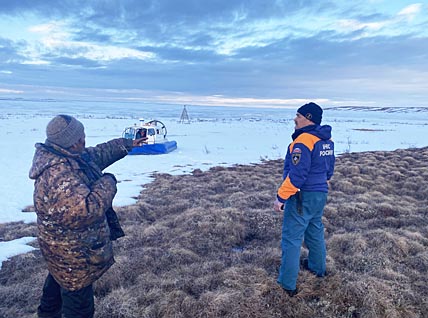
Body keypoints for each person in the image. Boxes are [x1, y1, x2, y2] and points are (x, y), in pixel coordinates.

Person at [29, 115, 144, 318]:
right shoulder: (58, 175)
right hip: (72, 255)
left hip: (61, 249)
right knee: (79, 307)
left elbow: (98, 154)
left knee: (56, 285)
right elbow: (87, 210)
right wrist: (108, 182)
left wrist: (127, 144)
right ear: (72, 142)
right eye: (81, 137)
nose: (85, 140)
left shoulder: (69, 155)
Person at [273, 102, 335, 297]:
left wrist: (281, 197)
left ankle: (287, 284)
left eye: (298, 116)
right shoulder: (326, 140)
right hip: (319, 193)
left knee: (291, 238)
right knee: (315, 230)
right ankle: (318, 269)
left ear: (308, 118)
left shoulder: (303, 141)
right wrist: (322, 182)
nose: (295, 119)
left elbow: (297, 174)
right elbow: (329, 168)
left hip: (302, 195)